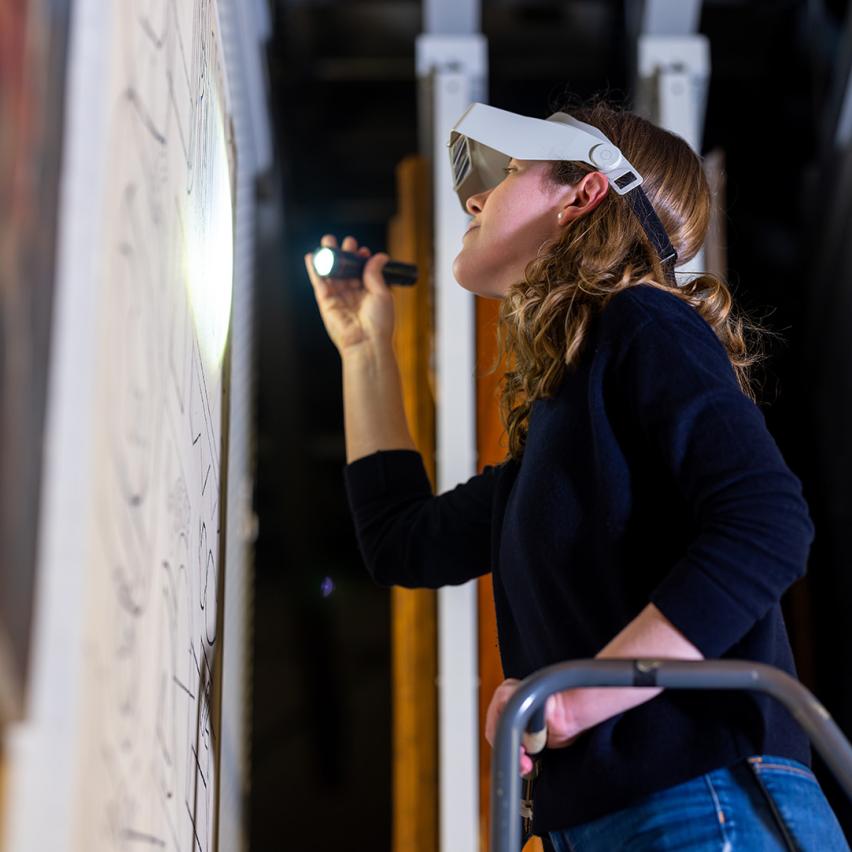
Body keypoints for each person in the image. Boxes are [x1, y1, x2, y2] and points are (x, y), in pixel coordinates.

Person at [303, 97, 850, 851]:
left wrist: (578, 696)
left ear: (585, 193)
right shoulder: (564, 435)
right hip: (613, 822)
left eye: (507, 172)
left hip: (701, 800)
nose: (474, 196)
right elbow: (403, 542)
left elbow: (769, 522)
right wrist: (366, 351)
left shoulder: (646, 321)